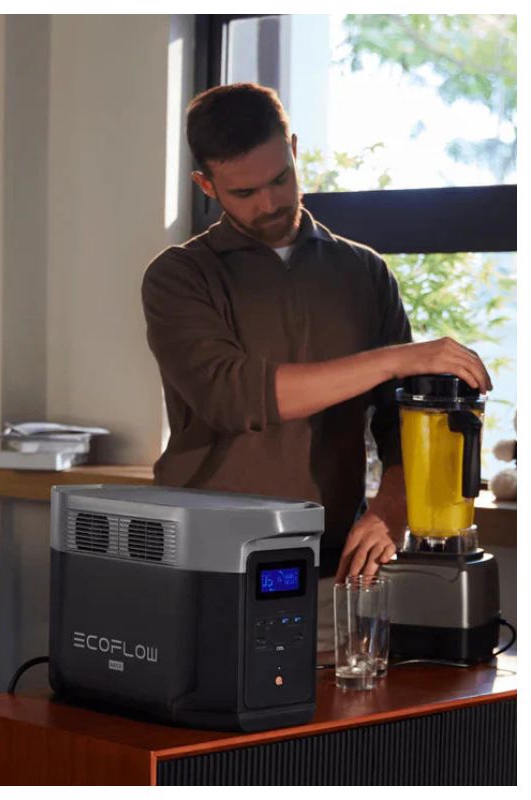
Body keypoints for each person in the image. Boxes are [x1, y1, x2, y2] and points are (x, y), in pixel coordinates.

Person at [141, 83, 492, 596]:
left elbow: (400, 424)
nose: (269, 202)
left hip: (329, 559)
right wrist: (396, 359)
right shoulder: (179, 276)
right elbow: (235, 397)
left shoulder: (364, 271)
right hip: (204, 558)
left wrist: (390, 511)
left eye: (281, 178)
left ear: (294, 149)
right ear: (206, 184)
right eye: (244, 192)